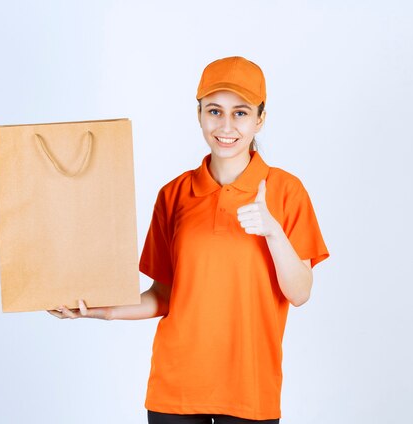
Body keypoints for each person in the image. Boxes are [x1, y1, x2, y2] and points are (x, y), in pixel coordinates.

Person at [49, 56, 329, 423]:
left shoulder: (286, 192)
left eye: (241, 113)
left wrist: (273, 231)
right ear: (199, 114)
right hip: (176, 389)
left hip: (249, 388)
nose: (226, 126)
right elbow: (163, 296)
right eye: (214, 111)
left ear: (261, 118)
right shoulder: (174, 194)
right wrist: (100, 310)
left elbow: (300, 292)